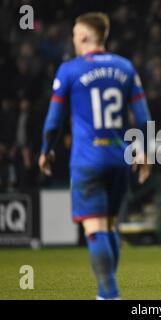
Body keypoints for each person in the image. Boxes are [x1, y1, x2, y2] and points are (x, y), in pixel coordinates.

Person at [39, 12, 151, 300]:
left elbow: (53, 121)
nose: (74, 40)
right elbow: (142, 116)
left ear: (86, 36)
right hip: (119, 159)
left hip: (87, 161)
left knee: (95, 227)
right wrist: (144, 150)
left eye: (76, 35)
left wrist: (45, 150)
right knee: (110, 224)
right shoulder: (125, 67)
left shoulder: (69, 70)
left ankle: (109, 293)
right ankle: (107, 293)